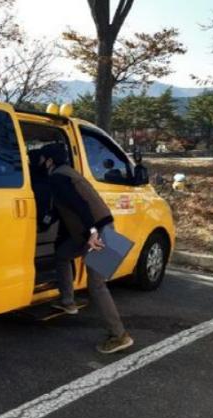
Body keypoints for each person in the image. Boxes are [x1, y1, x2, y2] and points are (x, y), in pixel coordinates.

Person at [36, 143, 134, 354]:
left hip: (98, 232)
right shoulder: (67, 174)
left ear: (49, 160)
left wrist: (92, 232)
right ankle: (67, 301)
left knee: (96, 285)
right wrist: (43, 224)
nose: (38, 162)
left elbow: (80, 206)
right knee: (62, 254)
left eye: (41, 159)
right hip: (91, 231)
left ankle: (119, 335)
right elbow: (63, 211)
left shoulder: (58, 177)